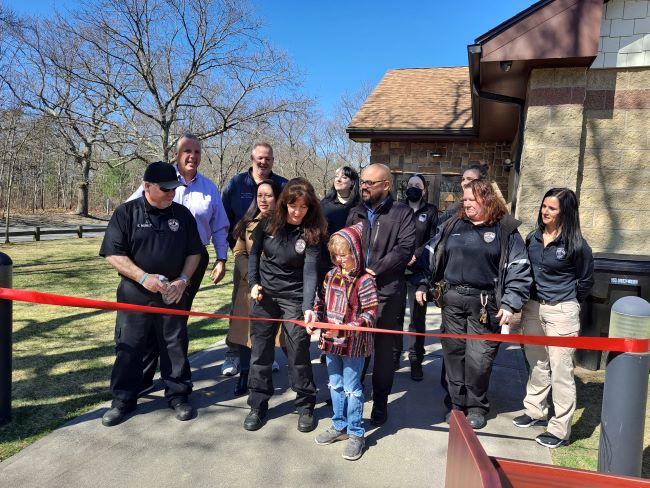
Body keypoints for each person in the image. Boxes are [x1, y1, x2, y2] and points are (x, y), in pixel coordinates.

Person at [415, 179, 531, 430]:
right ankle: (456, 405)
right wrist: (423, 284)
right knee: (454, 355)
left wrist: (511, 303)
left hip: (485, 305)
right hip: (453, 301)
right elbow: (431, 257)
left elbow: (519, 269)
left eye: (471, 200)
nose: (466, 204)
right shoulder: (452, 225)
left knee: (480, 358)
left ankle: (477, 406)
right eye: (464, 199)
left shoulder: (506, 230)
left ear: (487, 200)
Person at [99, 161, 204, 426]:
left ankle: (178, 395)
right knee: (130, 346)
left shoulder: (182, 215)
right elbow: (113, 253)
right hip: (135, 295)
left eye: (174, 188)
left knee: (175, 345)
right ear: (147, 186)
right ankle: (123, 399)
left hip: (172, 294)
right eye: (165, 188)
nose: (171, 193)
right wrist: (143, 278)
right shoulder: (126, 213)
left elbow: (195, 252)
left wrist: (182, 280)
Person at [128, 133, 230, 392]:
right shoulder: (158, 179)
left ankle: (174, 380)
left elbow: (219, 226)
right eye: (187, 150)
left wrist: (221, 258)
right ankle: (142, 378)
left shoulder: (208, 188)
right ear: (177, 154)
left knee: (176, 320)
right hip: (156, 257)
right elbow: (130, 210)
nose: (192, 156)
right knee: (151, 320)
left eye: (196, 151)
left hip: (192, 261)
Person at [244, 177, 328, 432]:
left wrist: (308, 306)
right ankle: (258, 404)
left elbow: (311, 271)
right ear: (285, 204)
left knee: (298, 350)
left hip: (294, 296)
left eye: (303, 208)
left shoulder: (312, 231)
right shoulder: (267, 224)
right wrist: (254, 284)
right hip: (265, 296)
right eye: (293, 206)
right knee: (260, 352)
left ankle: (305, 404)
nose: (297, 212)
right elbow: (254, 254)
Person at [512, 188, 594, 448]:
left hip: (562, 311)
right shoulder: (532, 238)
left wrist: (568, 303)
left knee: (561, 370)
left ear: (565, 212)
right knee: (536, 362)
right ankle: (536, 411)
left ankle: (560, 429)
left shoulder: (577, 245)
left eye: (552, 208)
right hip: (533, 308)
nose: (545, 211)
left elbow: (586, 280)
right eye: (544, 206)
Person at [346, 163, 416, 426]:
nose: (363, 186)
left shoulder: (402, 213)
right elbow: (346, 243)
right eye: (362, 181)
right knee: (356, 347)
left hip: (387, 293)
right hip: (357, 293)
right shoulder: (355, 212)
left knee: (383, 352)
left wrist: (373, 271)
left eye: (369, 182)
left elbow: (405, 248)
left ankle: (380, 403)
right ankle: (353, 398)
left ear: (386, 185)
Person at [308, 223, 378, 461]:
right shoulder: (330, 275)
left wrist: (351, 327)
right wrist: (316, 319)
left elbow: (370, 313)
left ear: (355, 251)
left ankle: (356, 432)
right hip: (330, 344)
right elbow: (320, 304)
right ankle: (339, 425)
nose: (340, 259)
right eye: (335, 255)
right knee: (334, 385)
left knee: (352, 388)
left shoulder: (365, 280)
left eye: (344, 254)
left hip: (354, 346)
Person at [220, 142, 288, 376]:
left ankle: (266, 352)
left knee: (270, 307)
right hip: (244, 254)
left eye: (268, 158)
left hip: (273, 261)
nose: (264, 162)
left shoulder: (282, 185)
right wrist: (234, 250)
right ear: (252, 158)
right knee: (240, 306)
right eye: (260, 157)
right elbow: (224, 218)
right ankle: (233, 354)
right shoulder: (237, 183)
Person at [228, 179, 283, 396]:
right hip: (248, 286)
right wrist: (251, 277)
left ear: (277, 198)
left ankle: (266, 374)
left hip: (275, 286)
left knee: (269, 335)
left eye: (268, 195)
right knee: (245, 334)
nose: (263, 200)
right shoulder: (248, 222)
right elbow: (239, 252)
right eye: (260, 195)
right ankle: (244, 374)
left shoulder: (285, 223)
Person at [396, 174, 439, 381]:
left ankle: (415, 359)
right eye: (411, 184)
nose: (413, 187)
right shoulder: (397, 208)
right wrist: (402, 255)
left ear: (424, 189)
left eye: (418, 185)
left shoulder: (430, 211)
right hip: (396, 269)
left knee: (416, 319)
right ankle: (394, 356)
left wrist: (417, 254)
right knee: (393, 316)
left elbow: (434, 238)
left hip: (418, 271)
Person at [318, 166, 361, 281]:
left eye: (344, 177)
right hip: (326, 262)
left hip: (353, 262)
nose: (338, 179)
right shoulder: (324, 205)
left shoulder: (360, 206)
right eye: (336, 176)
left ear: (352, 182)